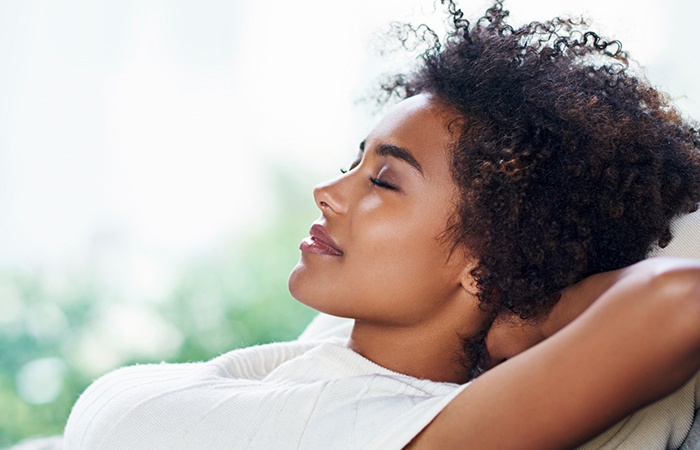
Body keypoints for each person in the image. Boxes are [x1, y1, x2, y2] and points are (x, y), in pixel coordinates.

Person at [62, 1, 700, 448]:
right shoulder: (337, 342)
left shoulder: (418, 427)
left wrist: (524, 316)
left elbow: (677, 302)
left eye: (384, 181)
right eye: (353, 162)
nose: (327, 192)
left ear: (483, 264)